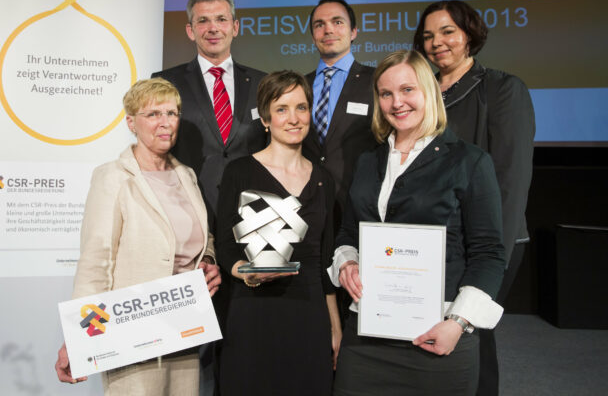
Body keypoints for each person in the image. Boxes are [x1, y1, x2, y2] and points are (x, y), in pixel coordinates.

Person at [329, 50, 506, 395]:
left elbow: (488, 253)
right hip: (366, 336)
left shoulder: (469, 162)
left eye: (407, 90)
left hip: (438, 335)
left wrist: (457, 323)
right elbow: (349, 232)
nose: (397, 102)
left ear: (429, 91)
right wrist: (347, 261)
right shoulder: (368, 160)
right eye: (386, 93)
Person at [54, 78, 222, 396]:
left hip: (184, 328)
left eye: (171, 113)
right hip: (130, 334)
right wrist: (78, 338)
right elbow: (96, 261)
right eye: (153, 114)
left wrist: (209, 259)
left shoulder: (186, 175)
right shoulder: (112, 177)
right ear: (131, 122)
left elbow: (203, 235)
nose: (165, 122)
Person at [413, 0, 535, 396]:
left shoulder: (502, 89)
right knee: (431, 341)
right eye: (428, 36)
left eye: (448, 31)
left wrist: (492, 253)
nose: (437, 42)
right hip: (433, 241)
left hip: (488, 242)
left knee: (471, 338)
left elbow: (511, 180)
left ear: (469, 34)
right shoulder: (420, 92)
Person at [216, 71, 341, 396]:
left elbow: (325, 262)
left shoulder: (323, 179)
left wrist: (335, 327)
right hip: (253, 314)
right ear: (266, 119)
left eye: (301, 108)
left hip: (308, 316)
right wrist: (246, 273)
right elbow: (226, 246)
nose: (294, 118)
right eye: (282, 109)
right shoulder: (239, 172)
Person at [153, 0, 266, 214]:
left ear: (235, 27)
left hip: (252, 208)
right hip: (186, 207)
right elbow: (155, 147)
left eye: (221, 19)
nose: (213, 28)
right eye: (203, 21)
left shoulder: (262, 83)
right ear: (190, 31)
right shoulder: (165, 82)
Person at [303, 0, 377, 216]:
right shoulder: (299, 86)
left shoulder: (377, 81)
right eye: (319, 25)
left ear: (353, 32)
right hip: (306, 205)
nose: (328, 30)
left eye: (337, 22)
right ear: (313, 36)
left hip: (358, 204)